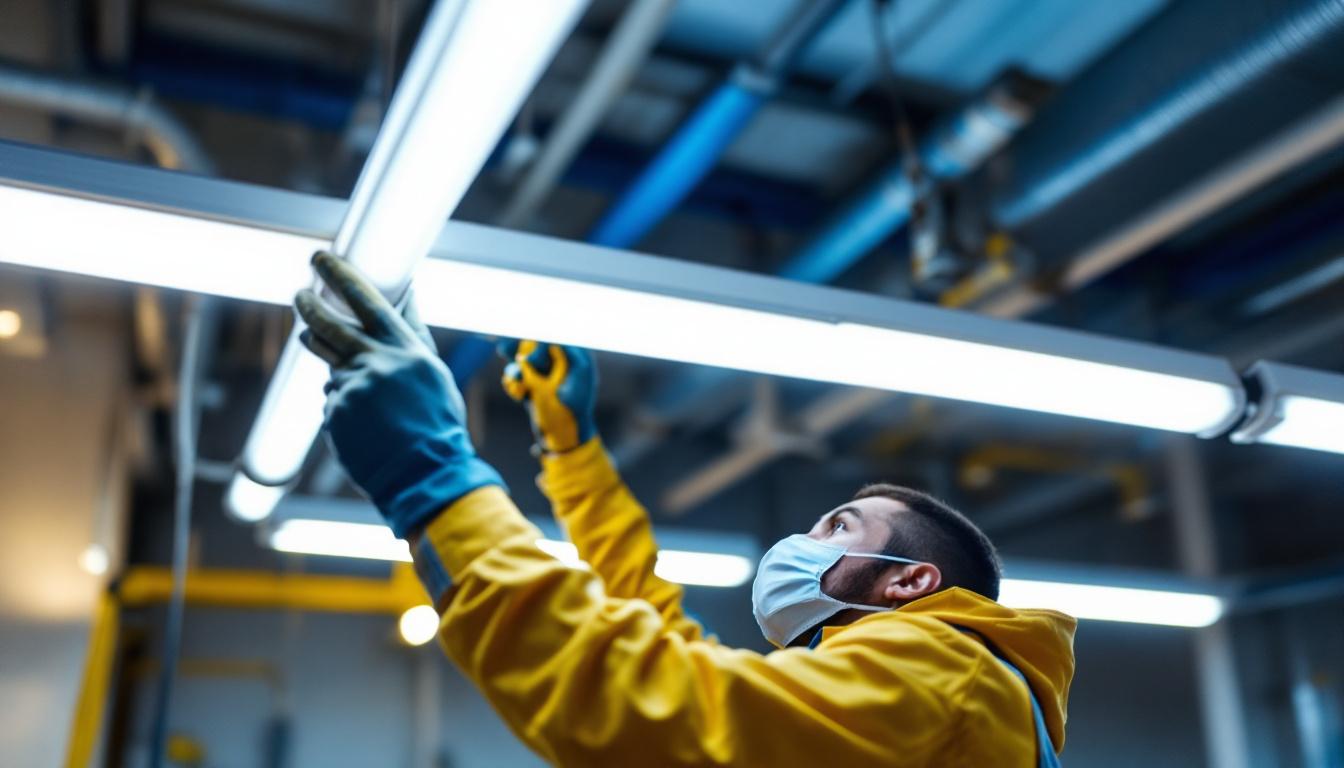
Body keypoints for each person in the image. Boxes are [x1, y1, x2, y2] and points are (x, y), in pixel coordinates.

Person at [294, 251, 1076, 767]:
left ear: (908, 582)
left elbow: (655, 706)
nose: (801, 539)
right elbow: (659, 631)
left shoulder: (950, 677)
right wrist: (572, 456)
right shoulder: (928, 699)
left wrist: (437, 484)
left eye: (838, 525)